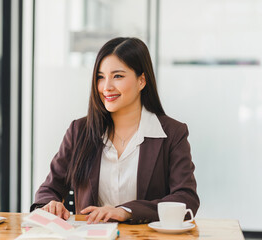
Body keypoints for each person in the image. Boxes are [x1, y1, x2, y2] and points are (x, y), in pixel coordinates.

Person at [30, 37, 199, 224]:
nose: (106, 87)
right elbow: (49, 189)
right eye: (101, 77)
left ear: (142, 80)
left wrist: (127, 211)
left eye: (117, 76)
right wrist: (50, 204)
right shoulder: (80, 131)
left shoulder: (172, 133)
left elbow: (186, 199)